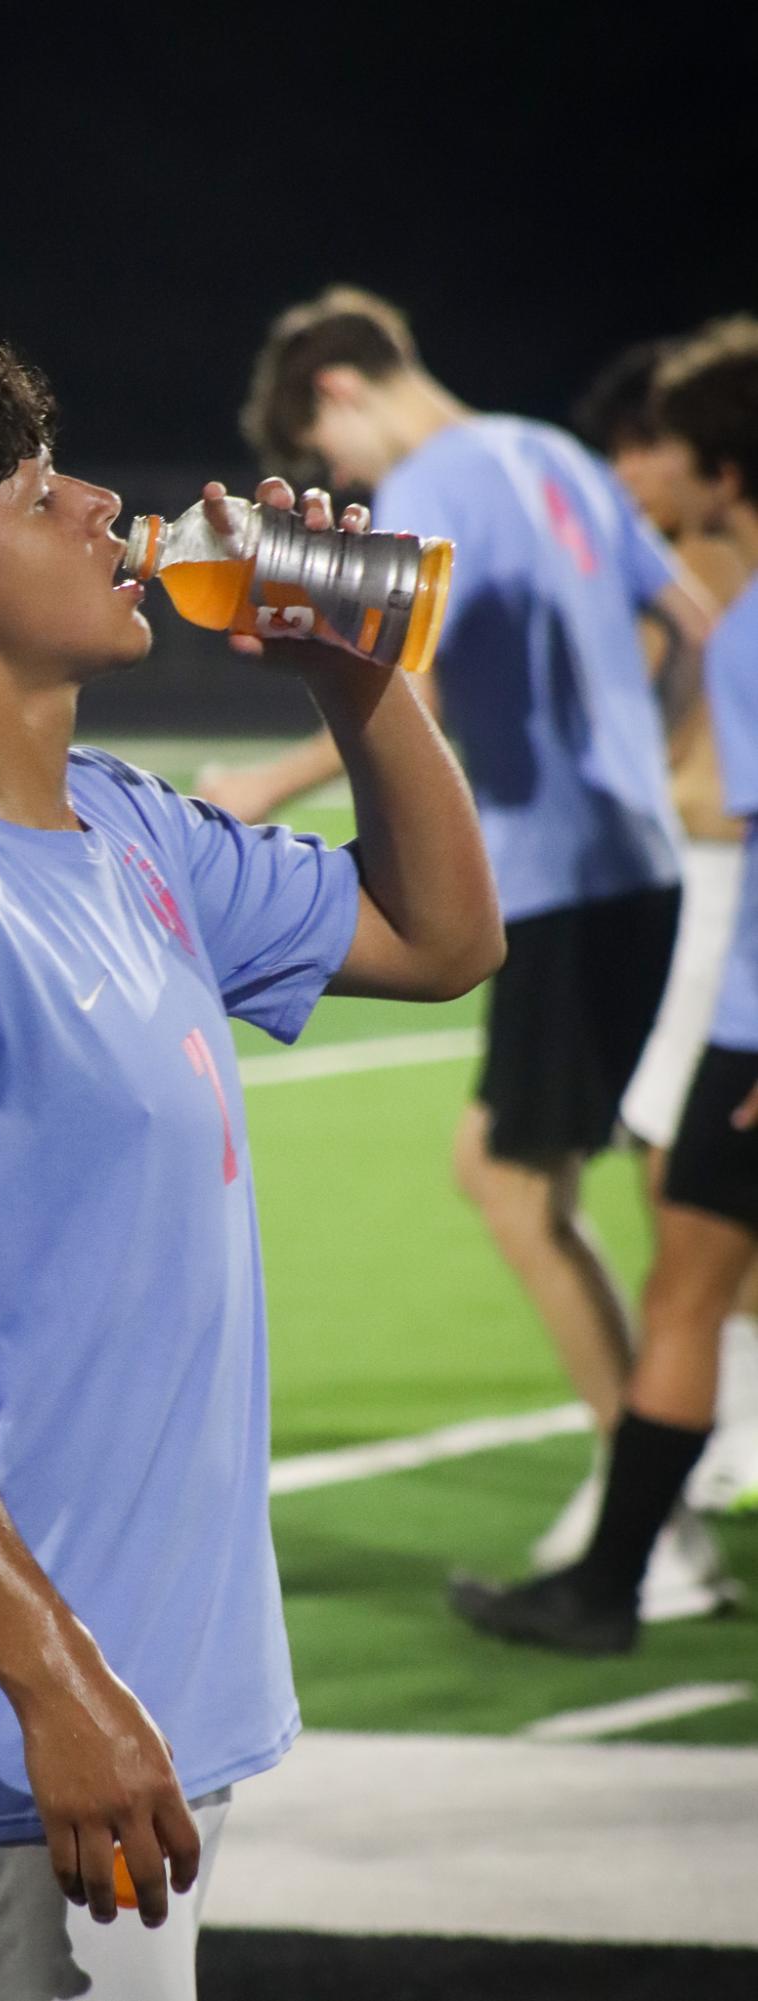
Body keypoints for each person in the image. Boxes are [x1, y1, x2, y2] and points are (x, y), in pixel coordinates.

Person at [0, 329, 502, 2001]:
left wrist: (354, 676)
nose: (100, 506)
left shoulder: (119, 827)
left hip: (116, 1695)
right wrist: (54, 1687)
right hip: (13, 1735)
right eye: (37, 492)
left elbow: (438, 936)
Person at [199, 287, 728, 1620]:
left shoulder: (432, 482)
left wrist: (264, 783)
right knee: (534, 1181)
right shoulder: (545, 448)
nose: (340, 481)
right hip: (638, 859)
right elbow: (694, 623)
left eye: (329, 462)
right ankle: (646, 1506)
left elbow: (391, 688)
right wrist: (641, 756)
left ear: (336, 394)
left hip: (550, 878)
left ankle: (645, 1522)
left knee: (512, 1187)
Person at [450, 317, 758, 1654]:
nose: (648, 474)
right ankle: (621, 1573)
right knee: (686, 1270)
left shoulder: (732, 603)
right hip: (730, 989)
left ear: (719, 463)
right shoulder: (724, 597)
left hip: (732, 995)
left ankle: (622, 1576)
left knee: (672, 1274)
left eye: (666, 450)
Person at [576, 340, 758, 1520]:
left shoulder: (717, 588)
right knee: (685, 1201)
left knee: (678, 1202)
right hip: (712, 909)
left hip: (724, 925)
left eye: (665, 450)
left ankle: (635, 1536)